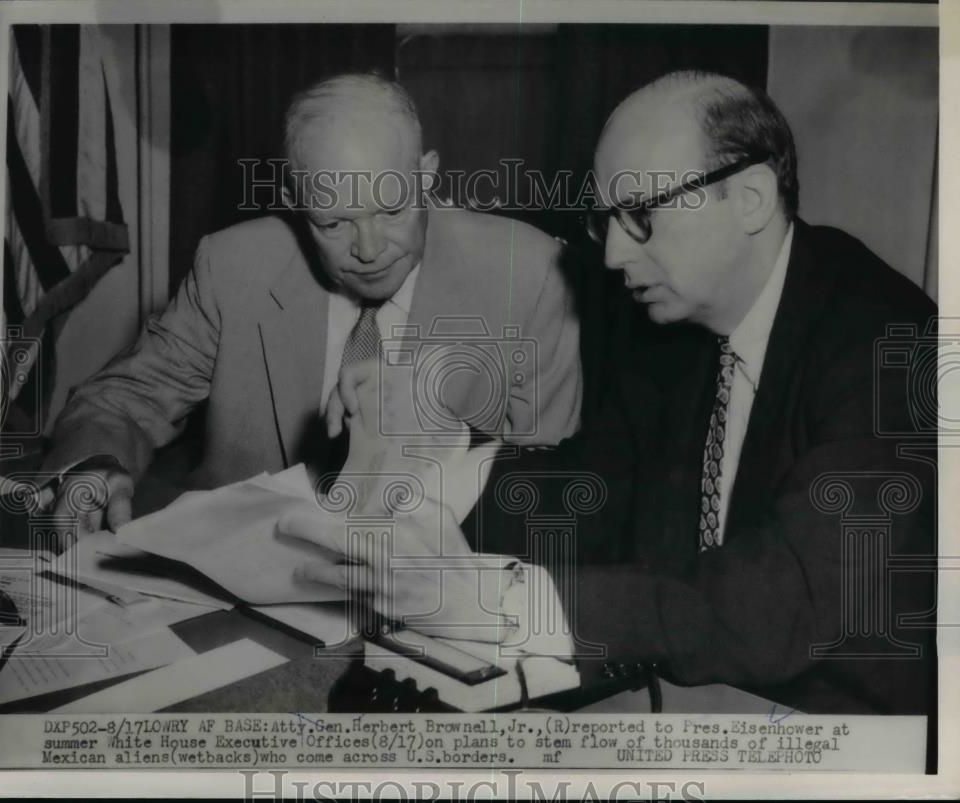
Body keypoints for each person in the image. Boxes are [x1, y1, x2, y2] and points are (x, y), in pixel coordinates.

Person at [314, 71, 937, 715]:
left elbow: (787, 597)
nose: (612, 254)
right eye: (606, 219)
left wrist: (498, 602)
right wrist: (427, 452)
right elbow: (590, 492)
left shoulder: (893, 342)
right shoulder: (676, 331)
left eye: (640, 214)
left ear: (750, 197)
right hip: (695, 692)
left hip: (838, 726)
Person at [37, 72, 582, 537]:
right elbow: (124, 398)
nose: (368, 251)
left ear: (427, 174)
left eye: (392, 210)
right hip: (240, 582)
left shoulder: (527, 274)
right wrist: (97, 464)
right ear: (298, 205)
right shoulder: (232, 266)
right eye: (334, 222)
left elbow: (547, 483)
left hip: (430, 588)